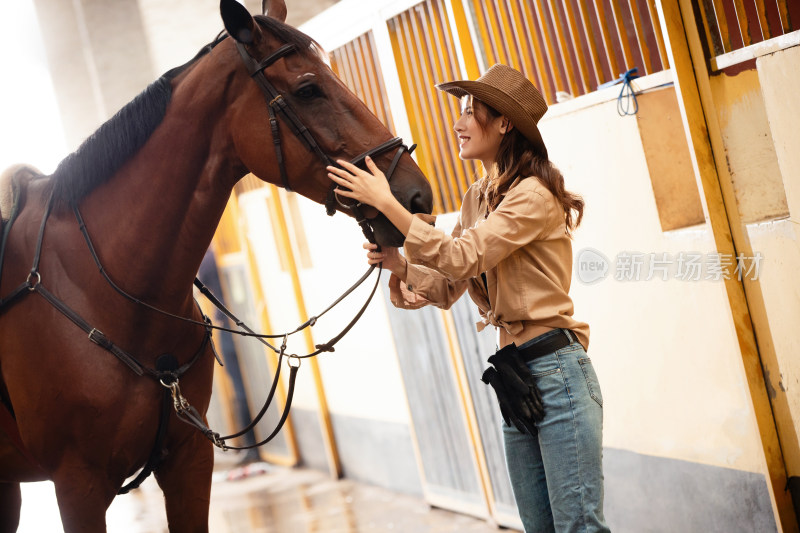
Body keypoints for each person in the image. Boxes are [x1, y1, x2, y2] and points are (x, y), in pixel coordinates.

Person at [327, 64, 609, 533]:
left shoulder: (533, 195)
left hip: (557, 372)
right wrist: (397, 265)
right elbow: (448, 285)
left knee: (579, 527)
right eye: (459, 111)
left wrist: (387, 203)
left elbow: (462, 256)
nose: (457, 123)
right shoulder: (478, 196)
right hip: (515, 375)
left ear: (504, 124)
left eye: (470, 112)